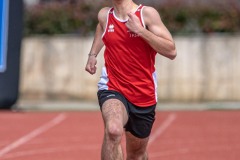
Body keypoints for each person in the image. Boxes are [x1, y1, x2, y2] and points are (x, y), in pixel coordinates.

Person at [85, 0, 176, 159]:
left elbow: (171, 51)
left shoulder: (146, 14)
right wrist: (92, 54)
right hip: (112, 86)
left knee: (137, 154)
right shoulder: (105, 15)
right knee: (113, 130)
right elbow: (101, 28)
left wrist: (140, 31)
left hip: (143, 93)